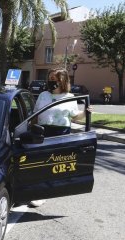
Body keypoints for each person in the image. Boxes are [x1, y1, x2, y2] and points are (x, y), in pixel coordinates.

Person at [29, 68, 92, 207]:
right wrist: (29, 130)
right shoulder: (43, 95)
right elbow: (35, 115)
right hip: (42, 132)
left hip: (60, 134)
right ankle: (37, 191)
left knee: (52, 165)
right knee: (40, 163)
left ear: (62, 81)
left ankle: (44, 194)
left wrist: (86, 113)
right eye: (50, 79)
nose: (51, 82)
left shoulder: (69, 97)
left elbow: (75, 117)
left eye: (54, 79)